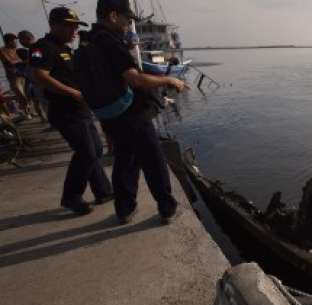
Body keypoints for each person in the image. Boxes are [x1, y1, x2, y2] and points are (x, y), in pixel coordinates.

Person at [74, 0, 186, 224]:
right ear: (114, 16)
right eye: (127, 19)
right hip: (132, 113)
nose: (128, 24)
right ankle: (167, 208)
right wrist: (169, 79)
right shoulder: (110, 41)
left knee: (125, 158)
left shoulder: (87, 41)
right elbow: (135, 79)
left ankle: (125, 209)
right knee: (153, 160)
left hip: (110, 113)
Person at [30, 7, 113, 215]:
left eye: (76, 26)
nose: (74, 30)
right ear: (54, 25)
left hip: (81, 109)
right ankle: (71, 197)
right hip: (64, 110)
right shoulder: (43, 48)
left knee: (95, 149)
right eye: (69, 26)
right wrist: (72, 93)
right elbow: (39, 75)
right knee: (86, 151)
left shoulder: (66, 49)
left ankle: (103, 190)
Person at [17, 30, 47, 122]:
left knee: (47, 104)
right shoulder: (33, 49)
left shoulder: (36, 48)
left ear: (27, 38)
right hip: (38, 82)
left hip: (42, 82)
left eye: (21, 41)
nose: (21, 43)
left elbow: (37, 63)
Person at [0, 33, 30, 117]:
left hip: (22, 74)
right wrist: (21, 61)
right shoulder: (3, 50)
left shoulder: (16, 50)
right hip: (13, 77)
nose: (16, 42)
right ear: (9, 41)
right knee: (20, 94)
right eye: (14, 41)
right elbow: (9, 62)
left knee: (26, 93)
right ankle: (26, 112)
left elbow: (19, 60)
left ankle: (28, 110)